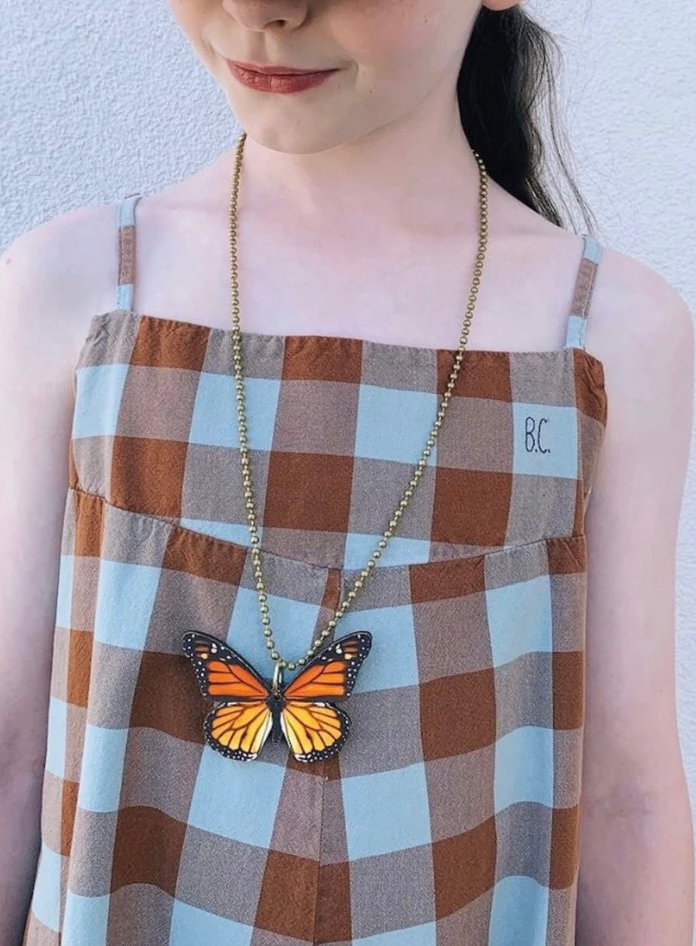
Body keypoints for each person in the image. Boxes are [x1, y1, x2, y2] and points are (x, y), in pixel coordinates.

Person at [1, 1, 694, 945]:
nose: (259, 10)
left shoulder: (613, 333)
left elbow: (627, 795)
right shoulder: (74, 289)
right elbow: (12, 743)